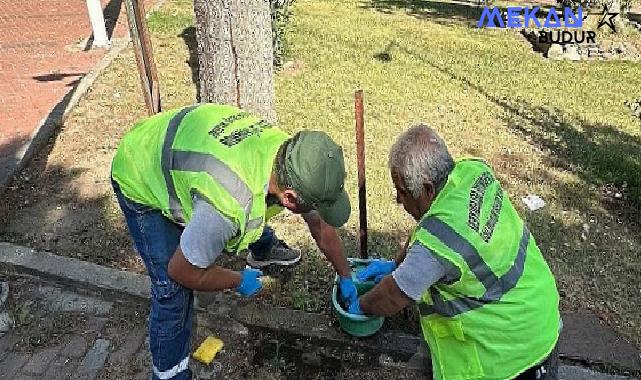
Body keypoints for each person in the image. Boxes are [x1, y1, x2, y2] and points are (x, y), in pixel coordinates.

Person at [111, 103, 358, 380]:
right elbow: (183, 271)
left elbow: (320, 226)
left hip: (185, 150)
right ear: (289, 197)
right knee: (172, 291)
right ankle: (169, 375)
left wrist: (346, 276)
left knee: (247, 209)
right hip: (140, 169)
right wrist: (237, 280)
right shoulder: (226, 207)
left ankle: (263, 248)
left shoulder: (289, 157)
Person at [350, 125, 561, 380]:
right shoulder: (472, 173)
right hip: (537, 311)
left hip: (512, 354)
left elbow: (393, 297)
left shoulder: (437, 246)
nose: (397, 200)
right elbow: (435, 229)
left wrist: (359, 306)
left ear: (427, 190)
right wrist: (397, 265)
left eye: (402, 192)